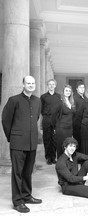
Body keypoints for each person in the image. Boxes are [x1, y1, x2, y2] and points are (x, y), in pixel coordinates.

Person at [2, 76, 42, 213]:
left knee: (28, 171)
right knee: (17, 173)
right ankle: (17, 201)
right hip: (18, 142)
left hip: (32, 143)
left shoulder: (37, 101)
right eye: (28, 83)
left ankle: (26, 195)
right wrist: (12, 137)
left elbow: (36, 118)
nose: (31, 85)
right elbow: (6, 120)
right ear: (23, 85)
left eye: (32, 83)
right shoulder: (14, 100)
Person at [40, 79, 61, 165]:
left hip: (56, 120)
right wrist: (46, 115)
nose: (51, 86)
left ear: (55, 85)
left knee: (55, 139)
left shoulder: (58, 96)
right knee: (47, 139)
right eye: (50, 84)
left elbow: (60, 109)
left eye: (53, 84)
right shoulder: (43, 97)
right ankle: (48, 157)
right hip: (47, 119)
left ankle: (53, 157)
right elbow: (41, 109)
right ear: (47, 86)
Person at [52, 84, 75, 158]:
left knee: (68, 147)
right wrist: (54, 128)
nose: (68, 92)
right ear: (63, 92)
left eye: (69, 91)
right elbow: (53, 116)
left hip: (69, 128)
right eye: (66, 90)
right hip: (61, 128)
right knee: (61, 147)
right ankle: (60, 164)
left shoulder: (72, 102)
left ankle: (66, 164)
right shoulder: (59, 102)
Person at [73, 81, 86, 149]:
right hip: (77, 124)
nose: (82, 89)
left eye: (83, 87)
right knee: (77, 142)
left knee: (83, 141)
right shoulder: (74, 98)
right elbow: (74, 111)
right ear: (77, 89)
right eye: (80, 87)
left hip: (85, 124)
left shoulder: (86, 98)